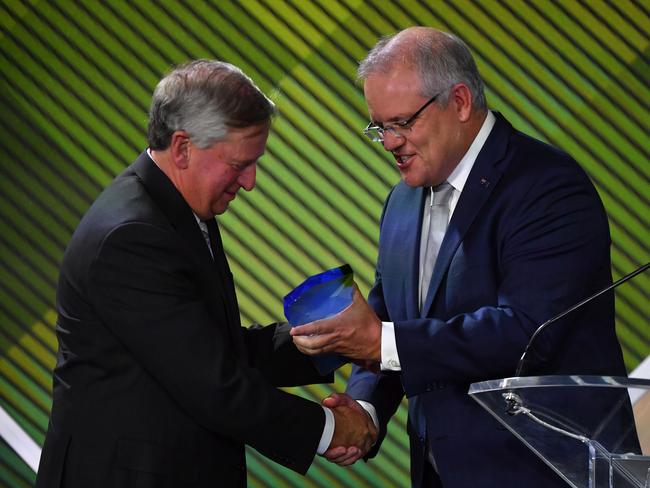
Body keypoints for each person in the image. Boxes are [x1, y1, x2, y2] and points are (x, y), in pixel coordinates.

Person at [292, 27, 638, 487]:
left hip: (539, 473)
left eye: (401, 123)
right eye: (379, 127)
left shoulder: (546, 186)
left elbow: (526, 333)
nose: (390, 142)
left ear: (458, 102)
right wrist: (367, 407)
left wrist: (382, 342)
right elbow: (393, 314)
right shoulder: (401, 201)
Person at [35, 60, 376, 488]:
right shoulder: (131, 237)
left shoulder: (174, 209)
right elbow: (214, 387)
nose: (249, 182)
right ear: (182, 148)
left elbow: (216, 347)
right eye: (238, 165)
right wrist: (330, 429)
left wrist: (338, 341)